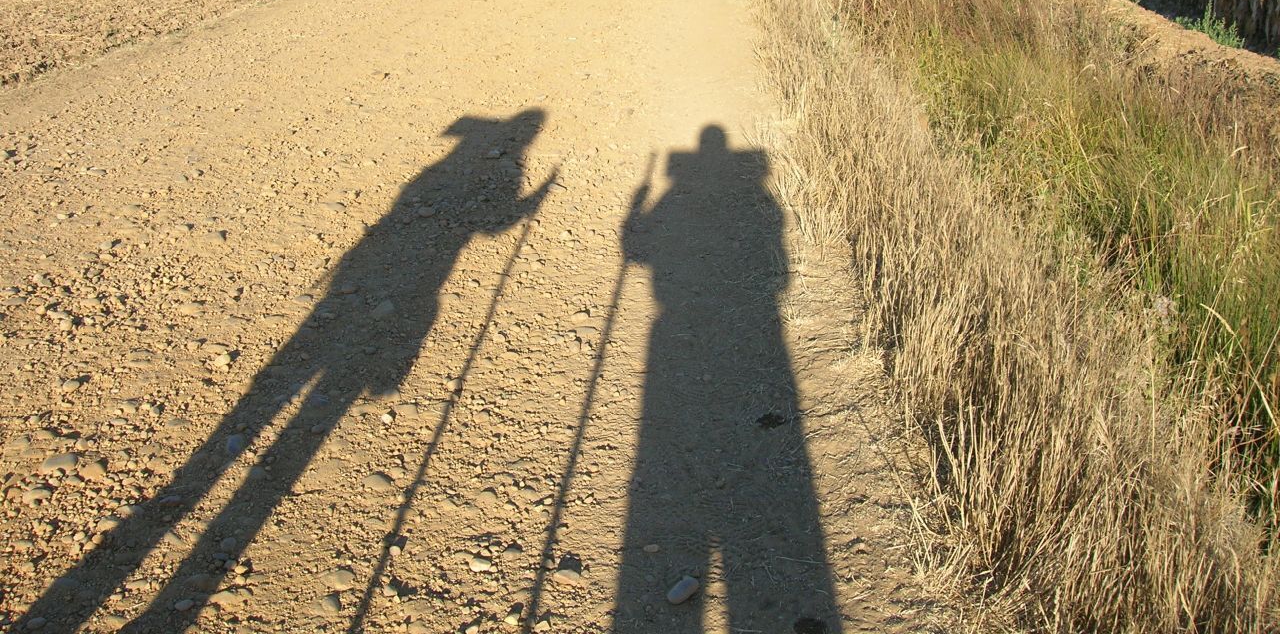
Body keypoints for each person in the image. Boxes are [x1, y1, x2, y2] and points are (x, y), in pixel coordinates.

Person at [17, 110, 555, 634]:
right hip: (402, 291)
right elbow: (492, 224)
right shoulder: (502, 168)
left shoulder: (445, 167)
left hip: (343, 290)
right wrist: (530, 203)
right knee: (299, 412)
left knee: (259, 404)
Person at [614, 125, 842, 632]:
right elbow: (781, 273)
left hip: (671, 326)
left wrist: (633, 216)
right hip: (759, 324)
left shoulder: (688, 197)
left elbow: (636, 252)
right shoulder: (765, 203)